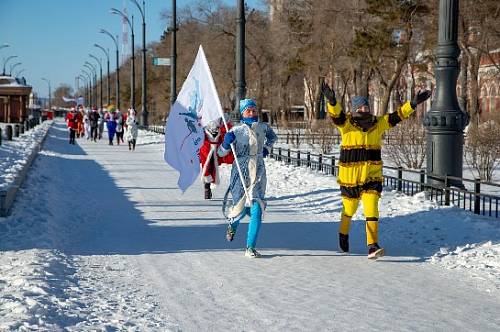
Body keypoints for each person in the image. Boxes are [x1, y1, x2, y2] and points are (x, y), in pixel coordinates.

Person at [321, 82, 431, 259]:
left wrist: (413, 103)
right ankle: (343, 233)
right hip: (351, 178)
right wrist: (332, 101)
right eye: (362, 106)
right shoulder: (347, 124)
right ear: (356, 109)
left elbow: (397, 116)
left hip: (372, 176)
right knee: (349, 209)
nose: (365, 109)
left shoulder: (377, 123)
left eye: (367, 106)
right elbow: (337, 116)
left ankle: (372, 245)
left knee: (372, 208)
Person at [218, 99, 277, 258]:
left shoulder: (263, 127)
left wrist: (266, 148)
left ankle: (250, 247)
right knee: (240, 210)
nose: (252, 113)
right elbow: (221, 153)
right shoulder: (236, 130)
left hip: (258, 171)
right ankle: (233, 225)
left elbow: (273, 138)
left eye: (254, 110)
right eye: (248, 110)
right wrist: (225, 143)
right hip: (241, 171)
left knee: (257, 209)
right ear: (242, 113)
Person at [199, 117, 234, 199]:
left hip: (218, 146)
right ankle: (207, 187)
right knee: (206, 166)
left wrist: (226, 128)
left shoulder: (221, 118)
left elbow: (226, 130)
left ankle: (209, 185)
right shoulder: (204, 116)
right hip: (206, 146)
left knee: (213, 166)